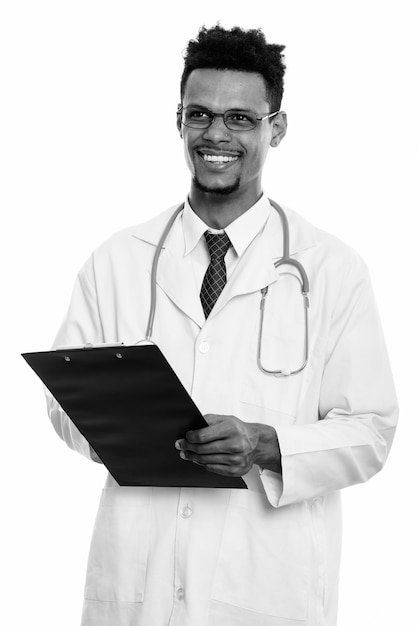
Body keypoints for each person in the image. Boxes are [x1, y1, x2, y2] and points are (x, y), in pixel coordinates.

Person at [47, 25, 398, 626]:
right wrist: (132, 430)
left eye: (240, 119)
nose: (216, 134)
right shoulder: (117, 261)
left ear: (275, 128)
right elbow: (62, 404)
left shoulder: (332, 269)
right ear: (178, 120)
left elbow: (371, 432)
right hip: (140, 585)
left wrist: (265, 444)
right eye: (201, 114)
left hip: (266, 590)